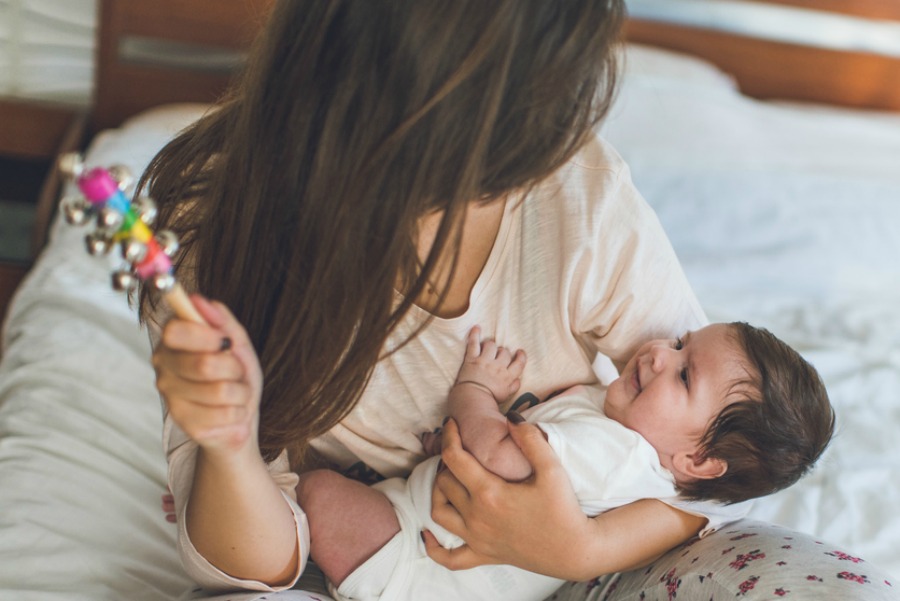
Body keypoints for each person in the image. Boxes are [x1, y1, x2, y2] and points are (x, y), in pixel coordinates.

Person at [146, 0, 757, 595]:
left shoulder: (580, 196)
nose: (559, 138)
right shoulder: (220, 227)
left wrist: (581, 551)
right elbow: (246, 572)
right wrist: (228, 449)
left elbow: (729, 468)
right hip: (350, 556)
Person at [294, 323, 834, 600]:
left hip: (419, 565)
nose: (656, 354)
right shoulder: (623, 422)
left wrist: (475, 392)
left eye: (684, 374)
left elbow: (504, 457)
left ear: (696, 458)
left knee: (317, 491)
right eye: (678, 342)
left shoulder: (621, 455)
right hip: (426, 543)